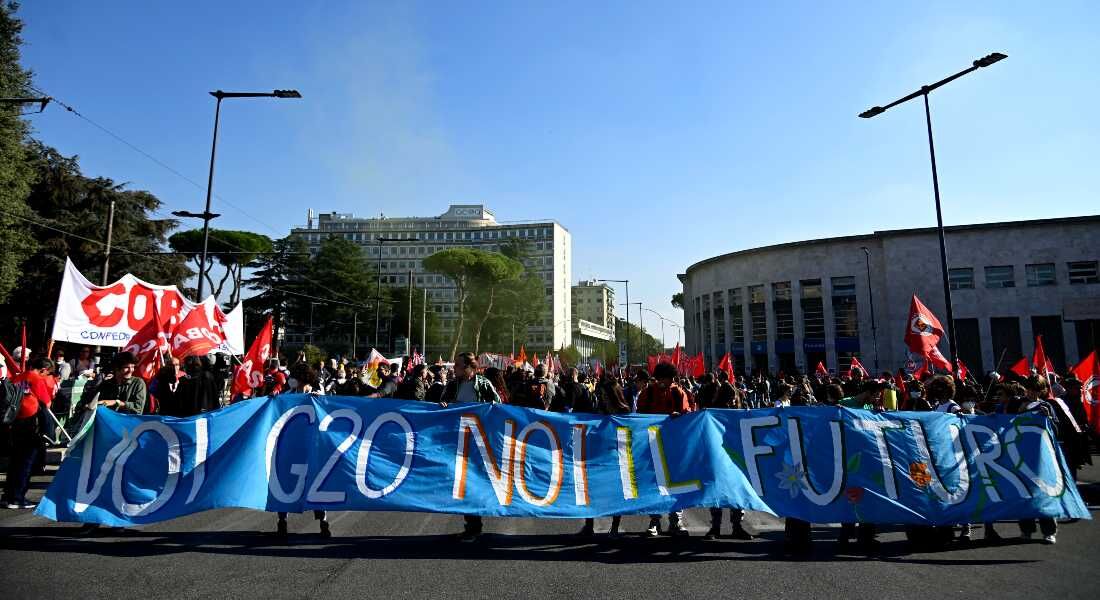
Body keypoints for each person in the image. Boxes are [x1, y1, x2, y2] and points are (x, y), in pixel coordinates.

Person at [440, 352, 500, 542]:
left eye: (457, 365)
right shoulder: (452, 385)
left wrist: (487, 409)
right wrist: (444, 405)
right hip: (458, 440)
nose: (454, 369)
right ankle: (472, 524)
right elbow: (442, 405)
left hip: (478, 441)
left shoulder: (483, 384)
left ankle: (475, 526)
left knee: (474, 482)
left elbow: (498, 405)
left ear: (468, 367)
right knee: (463, 482)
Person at [636, 362, 692, 537]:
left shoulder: (678, 392)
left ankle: (676, 521)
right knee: (654, 484)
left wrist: (679, 416)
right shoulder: (648, 393)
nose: (669, 381)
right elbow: (639, 416)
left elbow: (688, 413)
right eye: (667, 379)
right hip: (652, 446)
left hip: (674, 446)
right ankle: (655, 521)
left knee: (676, 483)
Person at [276, 365, 331, 539]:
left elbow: (329, 414)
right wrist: (272, 400)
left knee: (315, 484)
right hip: (289, 447)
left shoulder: (318, 396)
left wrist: (320, 402)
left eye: (295, 377)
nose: (292, 380)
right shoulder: (286, 396)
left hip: (312, 448)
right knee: (286, 483)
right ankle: (282, 520)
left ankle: (323, 521)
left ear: (303, 379)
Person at [2, 357, 54, 509]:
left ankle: (8, 496)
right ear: (43, 370)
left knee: (15, 462)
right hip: (31, 424)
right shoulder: (37, 378)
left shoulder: (19, 376)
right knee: (27, 463)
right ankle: (17, 498)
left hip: (15, 423)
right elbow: (47, 403)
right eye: (47, 374)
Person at [1016, 375, 1059, 545]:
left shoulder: (1046, 406)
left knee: (1044, 492)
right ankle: (1026, 529)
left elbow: (1056, 430)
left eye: (1035, 389)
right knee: (1024, 492)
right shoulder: (1018, 405)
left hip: (1042, 455)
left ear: (1041, 390)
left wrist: (1048, 418)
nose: (1031, 392)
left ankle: (1049, 531)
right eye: (1029, 389)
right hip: (1021, 454)